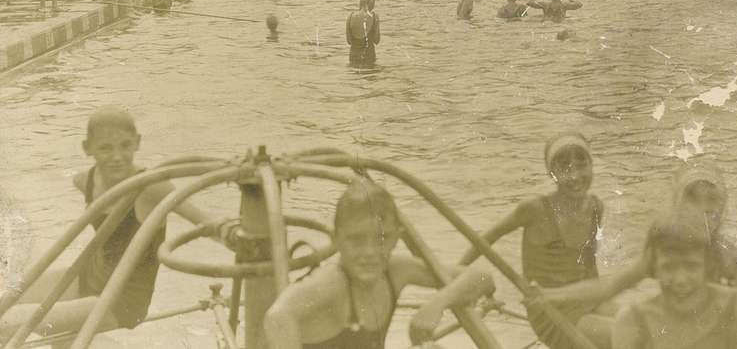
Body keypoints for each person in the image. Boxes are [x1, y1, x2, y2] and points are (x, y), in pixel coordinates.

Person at [0, 107, 231, 343]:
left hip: (122, 300)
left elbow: (205, 222)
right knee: (4, 302)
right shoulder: (85, 181)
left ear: (137, 143)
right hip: (88, 277)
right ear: (87, 149)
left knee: (11, 320)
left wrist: (231, 233)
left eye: (125, 145)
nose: (117, 156)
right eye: (105, 148)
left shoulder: (152, 187)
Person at [264, 178, 495, 348]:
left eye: (381, 240)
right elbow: (278, 318)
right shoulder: (331, 282)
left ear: (396, 237)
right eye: (356, 240)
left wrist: (437, 303)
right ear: (337, 241)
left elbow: (482, 276)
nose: (370, 252)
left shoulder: (395, 271)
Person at [540, 161, 737, 347]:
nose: (704, 208)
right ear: (678, 204)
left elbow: (731, 325)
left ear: (723, 204)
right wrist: (552, 296)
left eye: (712, 199)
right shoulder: (668, 247)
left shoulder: (736, 261)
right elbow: (612, 286)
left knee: (587, 324)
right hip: (671, 328)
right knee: (599, 308)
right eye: (693, 198)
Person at [459, 133, 607, 349]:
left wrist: (600, 302)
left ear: (592, 166)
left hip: (581, 300)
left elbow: (589, 265)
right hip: (548, 311)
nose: (575, 176)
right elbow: (487, 238)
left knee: (642, 321)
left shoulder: (595, 207)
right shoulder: (534, 209)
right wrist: (454, 273)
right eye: (565, 168)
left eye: (581, 165)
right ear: (552, 174)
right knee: (628, 335)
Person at [610, 216, 737, 349]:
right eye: (668, 267)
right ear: (653, 267)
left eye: (691, 266)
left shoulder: (733, 306)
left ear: (707, 265)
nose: (680, 280)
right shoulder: (635, 321)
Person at [346, 0, 380, 67]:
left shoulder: (350, 16)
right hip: (369, 56)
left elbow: (349, 41)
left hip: (353, 56)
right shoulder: (374, 17)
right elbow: (376, 41)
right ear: (370, 6)